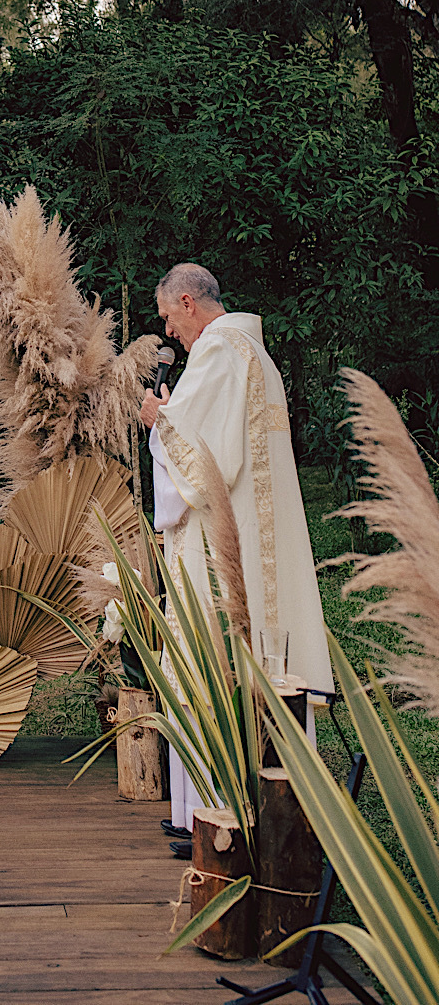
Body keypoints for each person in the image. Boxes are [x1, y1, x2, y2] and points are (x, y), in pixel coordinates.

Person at [138, 263, 332, 847]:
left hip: (225, 541)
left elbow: (204, 459)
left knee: (214, 663)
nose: (169, 332)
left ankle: (216, 814)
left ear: (187, 302)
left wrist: (157, 420)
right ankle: (226, 811)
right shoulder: (256, 355)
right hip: (255, 534)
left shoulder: (220, 351)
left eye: (168, 317)